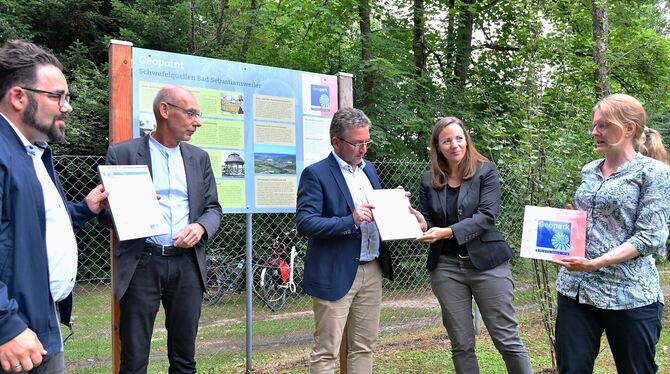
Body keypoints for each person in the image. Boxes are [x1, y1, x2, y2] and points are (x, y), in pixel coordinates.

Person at [0, 40, 108, 373]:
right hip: (16, 336)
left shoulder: (34, 153)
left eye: (68, 97)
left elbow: (29, 228)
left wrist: (85, 209)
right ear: (19, 97)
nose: (67, 106)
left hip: (42, 322)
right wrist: (5, 324)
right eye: (57, 96)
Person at [98, 86, 222, 373]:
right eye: (191, 113)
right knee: (134, 358)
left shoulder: (198, 158)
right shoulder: (123, 154)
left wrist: (200, 227)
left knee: (184, 358)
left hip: (187, 266)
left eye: (197, 115)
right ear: (165, 111)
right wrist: (124, 206)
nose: (197, 121)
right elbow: (106, 220)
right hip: (142, 263)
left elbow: (214, 208)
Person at [552, 94, 670, 373]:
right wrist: (567, 226)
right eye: (594, 125)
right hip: (576, 290)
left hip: (629, 294)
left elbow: (650, 237)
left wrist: (597, 262)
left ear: (629, 128)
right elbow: (597, 221)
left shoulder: (655, 174)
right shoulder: (589, 170)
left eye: (603, 125)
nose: (595, 132)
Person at [415, 117, 533, 374]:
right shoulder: (428, 180)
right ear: (437, 146)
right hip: (445, 268)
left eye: (459, 138)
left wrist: (448, 232)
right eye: (447, 140)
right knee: (461, 343)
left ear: (466, 140)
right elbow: (428, 223)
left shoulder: (485, 171)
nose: (454, 144)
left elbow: (487, 216)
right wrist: (419, 222)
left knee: (507, 340)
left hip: (487, 263)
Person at [296, 107, 393, 373]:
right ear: (336, 142)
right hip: (334, 271)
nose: (363, 149)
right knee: (327, 351)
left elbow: (375, 213)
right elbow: (306, 222)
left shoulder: (369, 170)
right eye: (357, 143)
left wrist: (393, 204)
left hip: (371, 268)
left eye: (366, 142)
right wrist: (349, 221)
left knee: (364, 346)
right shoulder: (316, 174)